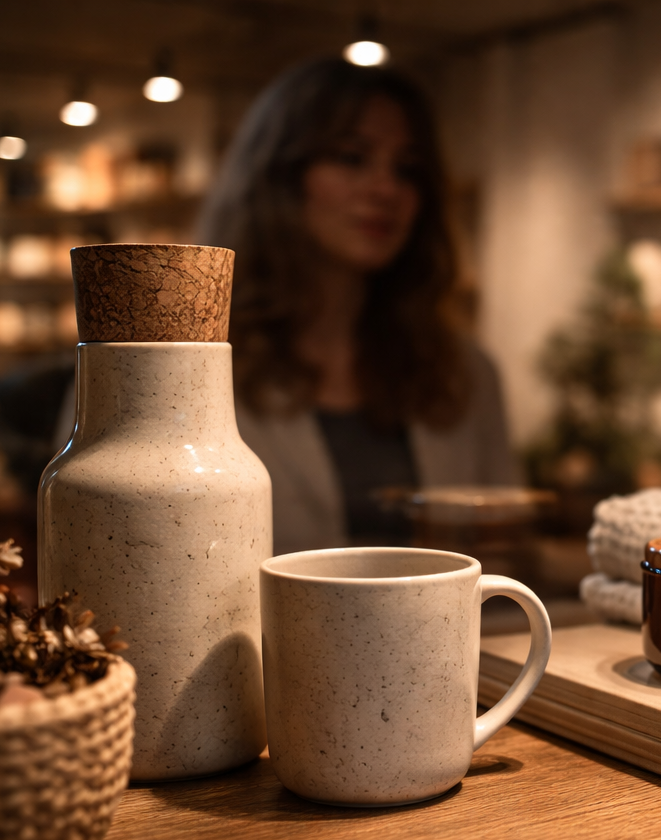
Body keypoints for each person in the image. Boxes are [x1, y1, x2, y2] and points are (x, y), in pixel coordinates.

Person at [196, 58, 516, 555]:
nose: (385, 188)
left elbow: (504, 556)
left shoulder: (463, 373)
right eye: (351, 157)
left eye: (407, 169)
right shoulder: (177, 372)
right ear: (281, 174)